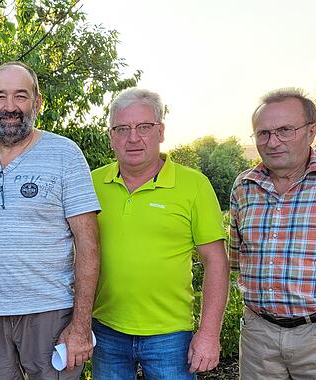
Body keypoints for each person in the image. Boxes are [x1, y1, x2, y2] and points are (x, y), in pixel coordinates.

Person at [0, 61, 101, 379]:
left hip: (49, 314)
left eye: (20, 96)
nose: (10, 107)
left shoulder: (66, 154)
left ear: (37, 102)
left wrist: (81, 324)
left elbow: (88, 242)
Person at [90, 88, 229, 379]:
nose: (133, 137)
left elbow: (216, 262)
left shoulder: (194, 185)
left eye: (144, 127)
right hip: (105, 329)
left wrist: (209, 334)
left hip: (170, 335)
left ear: (161, 131)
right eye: (122, 128)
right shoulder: (92, 184)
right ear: (111, 136)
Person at [230, 88, 316, 379]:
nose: (273, 142)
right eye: (263, 133)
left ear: (311, 131)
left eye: (285, 130)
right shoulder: (244, 186)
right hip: (260, 337)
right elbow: (235, 258)